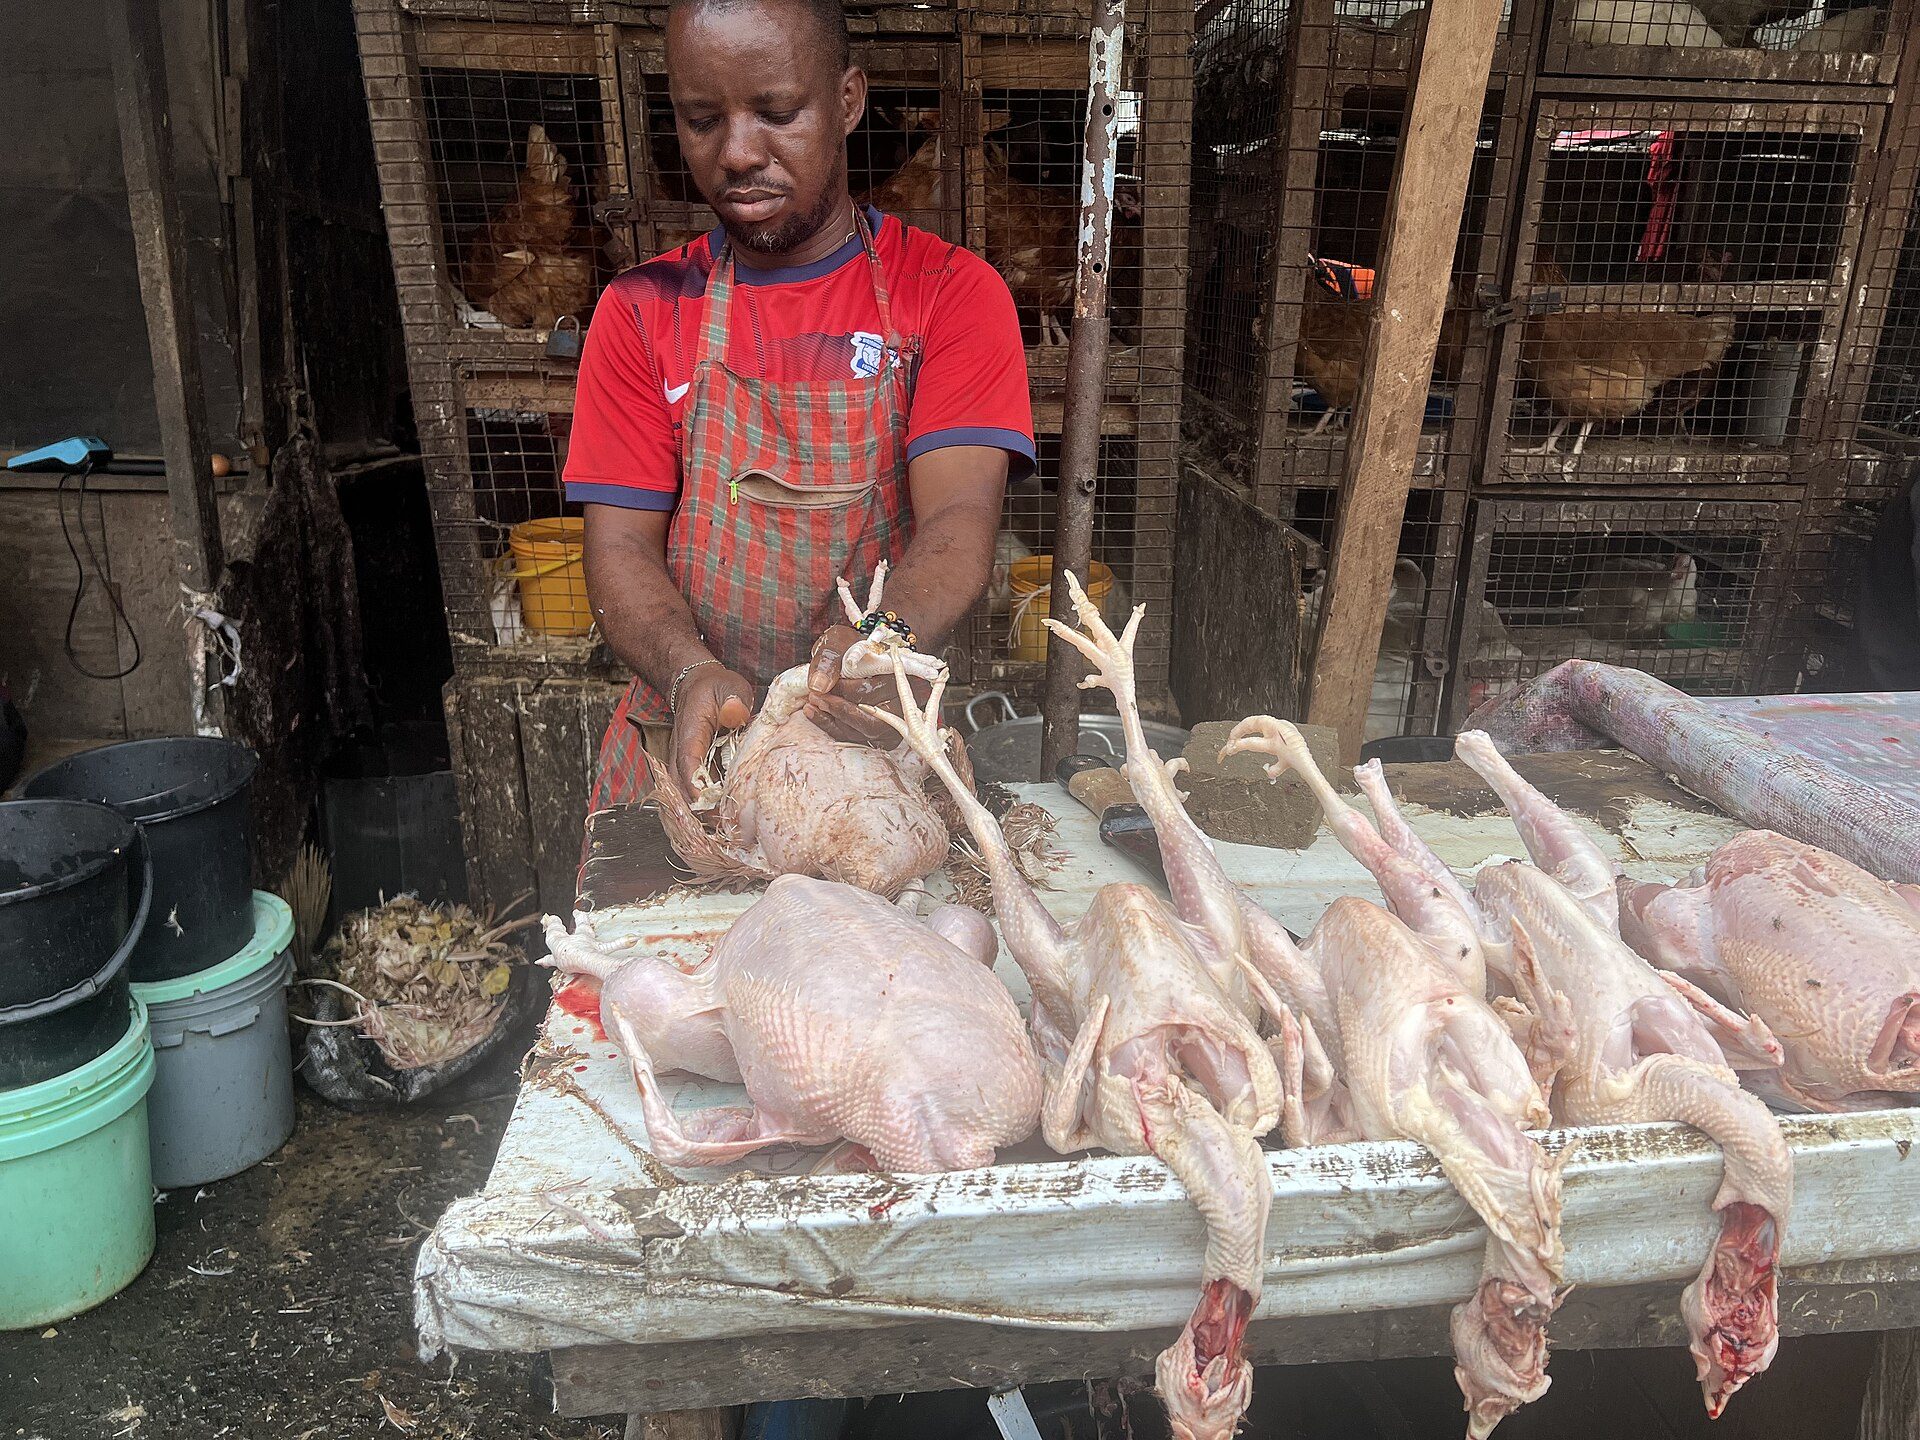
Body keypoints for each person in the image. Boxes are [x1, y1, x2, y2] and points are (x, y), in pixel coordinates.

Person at [563, 0, 1035, 806]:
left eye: (778, 113)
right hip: (689, 739)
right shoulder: (642, 310)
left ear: (848, 101)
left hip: (872, 740)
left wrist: (881, 647)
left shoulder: (950, 295)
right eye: (702, 120)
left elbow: (961, 515)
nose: (739, 153)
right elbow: (620, 550)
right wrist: (689, 672)